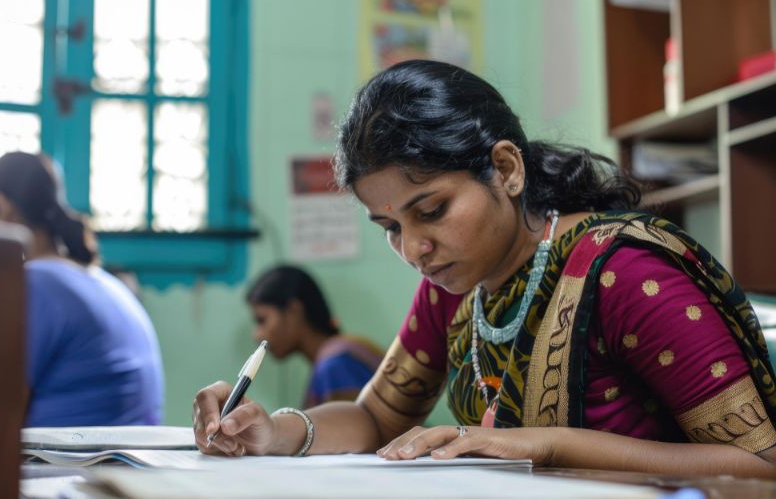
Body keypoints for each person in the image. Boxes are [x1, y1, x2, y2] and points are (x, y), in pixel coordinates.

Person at [192, 60, 776, 477]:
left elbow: (761, 468)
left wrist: (543, 447)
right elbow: (374, 417)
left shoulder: (625, 275)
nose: (415, 249)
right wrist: (275, 433)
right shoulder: (455, 284)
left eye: (433, 211)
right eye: (391, 228)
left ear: (506, 168)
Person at [0, 151, 164, 426]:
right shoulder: (104, 281)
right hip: (134, 463)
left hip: (82, 466)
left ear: (2, 204)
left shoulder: (34, 284)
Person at [246, 265, 383, 408]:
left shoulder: (336, 366)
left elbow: (358, 429)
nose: (257, 335)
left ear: (294, 311)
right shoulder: (338, 356)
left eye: (262, 320)